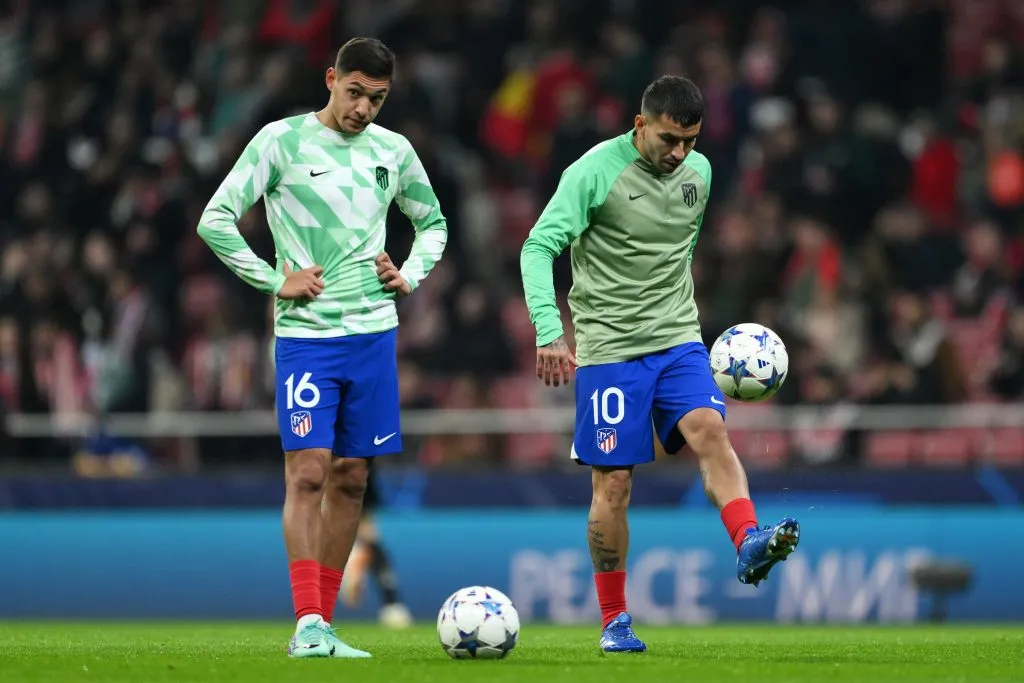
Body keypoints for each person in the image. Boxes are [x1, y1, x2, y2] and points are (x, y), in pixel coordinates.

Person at [519, 75, 800, 654]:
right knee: (614, 483)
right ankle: (614, 619)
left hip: (677, 338)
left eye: (690, 141)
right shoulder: (593, 172)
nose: (679, 153)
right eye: (669, 139)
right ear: (639, 124)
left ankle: (748, 541)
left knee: (710, 429)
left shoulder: (701, 173)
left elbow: (678, 249)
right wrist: (550, 331)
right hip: (610, 350)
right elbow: (537, 247)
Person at [197, 37, 447, 658]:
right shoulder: (280, 142)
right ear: (331, 79)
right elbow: (215, 218)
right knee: (308, 471)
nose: (363, 109)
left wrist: (410, 273)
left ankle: (324, 625)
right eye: (355, 92)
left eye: (377, 99)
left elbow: (433, 223)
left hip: (373, 334)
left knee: (353, 477)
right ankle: (306, 622)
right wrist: (272, 280)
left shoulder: (394, 151)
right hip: (308, 338)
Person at [335, 465, 414, 629]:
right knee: (366, 535)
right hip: (329, 466)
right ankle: (391, 602)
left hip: (357, 464)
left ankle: (391, 602)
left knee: (369, 535)